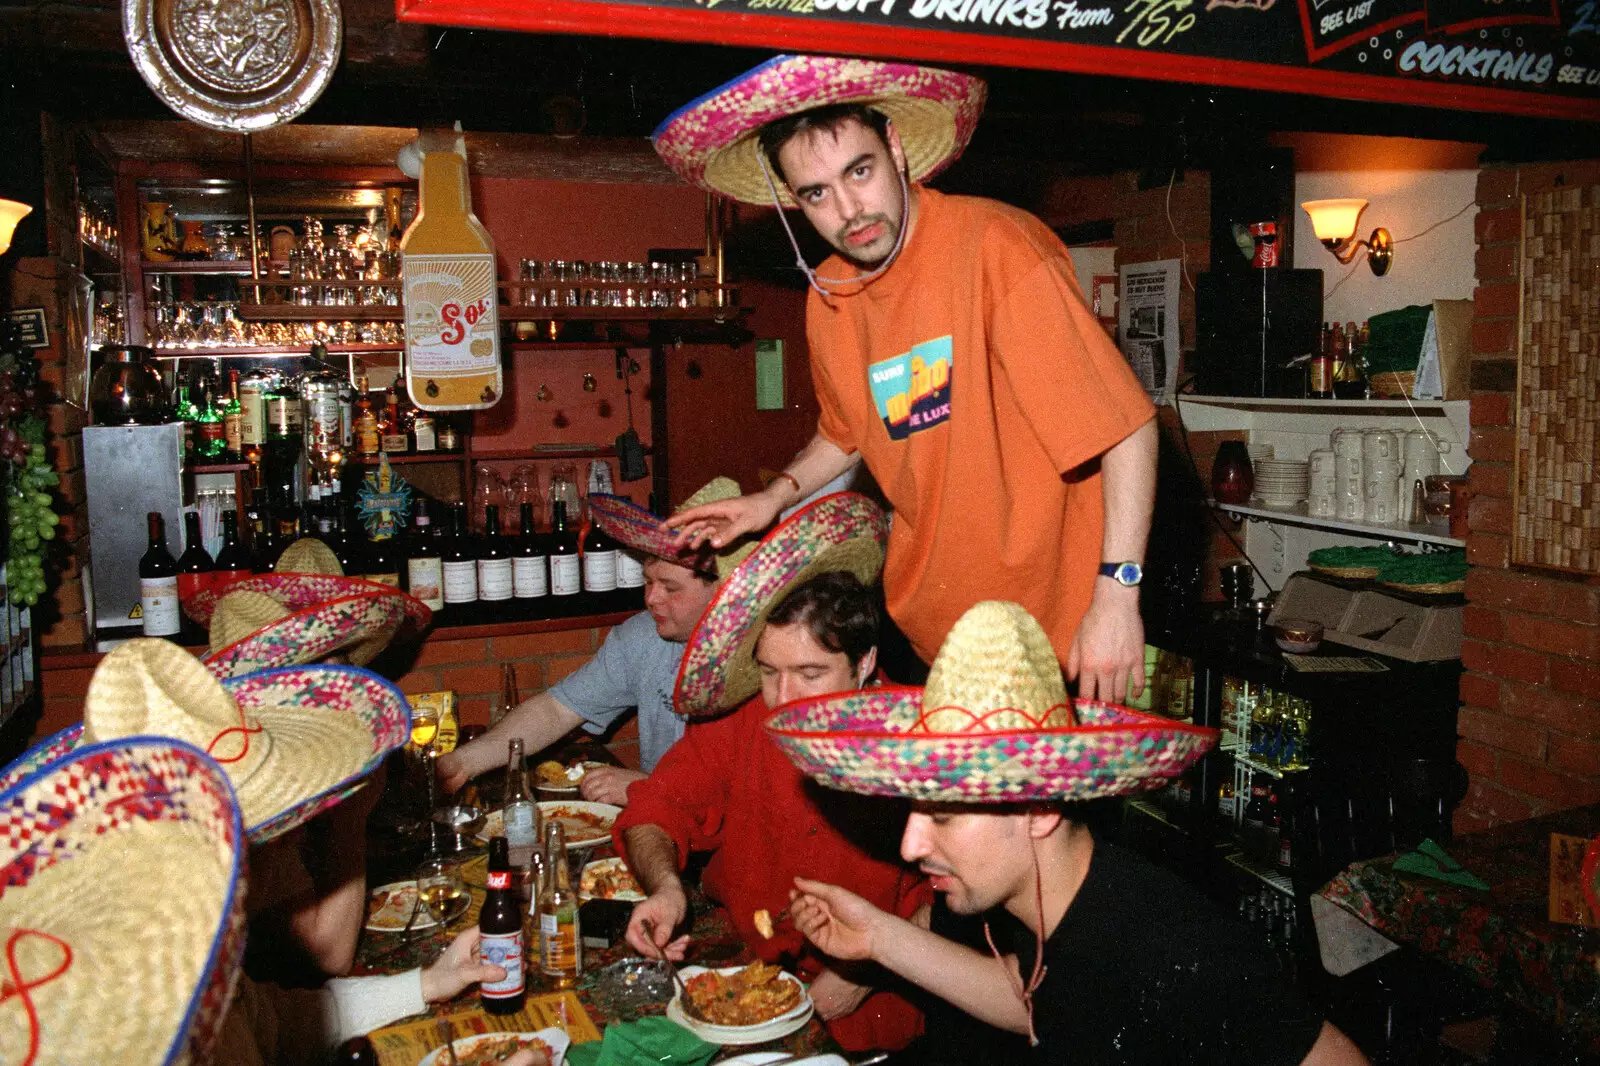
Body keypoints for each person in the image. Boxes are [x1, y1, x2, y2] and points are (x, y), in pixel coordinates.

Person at [653, 56, 1159, 701]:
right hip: (933, 636)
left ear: (894, 146)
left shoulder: (996, 249)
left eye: (858, 172)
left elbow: (1128, 432)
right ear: (792, 200)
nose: (848, 211)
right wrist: (772, 498)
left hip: (1052, 639)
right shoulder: (831, 292)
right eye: (815, 194)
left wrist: (1117, 596)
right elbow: (845, 434)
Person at [766, 600, 1371, 1065]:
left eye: (943, 814)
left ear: (1039, 808)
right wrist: (876, 936)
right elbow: (1034, 996)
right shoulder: (1062, 907)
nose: (910, 844)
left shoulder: (1173, 946)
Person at [615, 495, 928, 1052]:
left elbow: (961, 905)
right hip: (742, 979)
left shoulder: (926, 739)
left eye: (810, 673)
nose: (783, 700)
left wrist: (866, 972)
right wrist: (665, 887)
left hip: (873, 1016)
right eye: (768, 672)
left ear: (864, 662)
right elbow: (655, 809)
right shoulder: (741, 717)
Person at [436, 478, 757, 805]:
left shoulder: (762, 660)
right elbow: (555, 711)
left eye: (670, 588)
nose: (651, 598)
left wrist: (647, 788)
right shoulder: (643, 636)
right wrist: (463, 762)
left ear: (724, 590)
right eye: (648, 581)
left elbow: (752, 799)